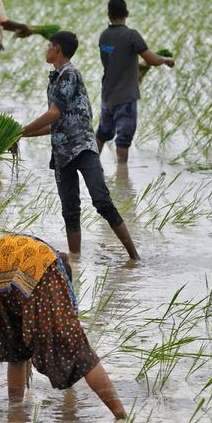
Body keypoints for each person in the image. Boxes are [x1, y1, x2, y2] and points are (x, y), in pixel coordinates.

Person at [20, 31, 140, 261]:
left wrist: (23, 129)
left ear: (57, 49)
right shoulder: (55, 78)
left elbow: (53, 113)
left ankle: (134, 257)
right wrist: (22, 135)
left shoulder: (69, 74)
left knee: (102, 200)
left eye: (48, 46)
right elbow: (57, 123)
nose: (46, 50)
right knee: (70, 210)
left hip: (83, 148)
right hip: (62, 151)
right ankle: (75, 260)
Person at [0, 235, 126, 419]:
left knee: (16, 353)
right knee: (81, 351)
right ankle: (121, 417)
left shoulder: (47, 254)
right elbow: (69, 330)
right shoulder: (52, 270)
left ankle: (15, 412)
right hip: (28, 264)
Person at [96, 0, 175, 164]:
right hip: (126, 97)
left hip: (107, 95)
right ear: (127, 13)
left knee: (102, 133)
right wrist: (165, 59)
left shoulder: (104, 37)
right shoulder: (131, 35)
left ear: (108, 15)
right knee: (123, 139)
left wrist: (141, 64)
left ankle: (92, 165)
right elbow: (152, 59)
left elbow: (117, 60)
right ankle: (122, 175)